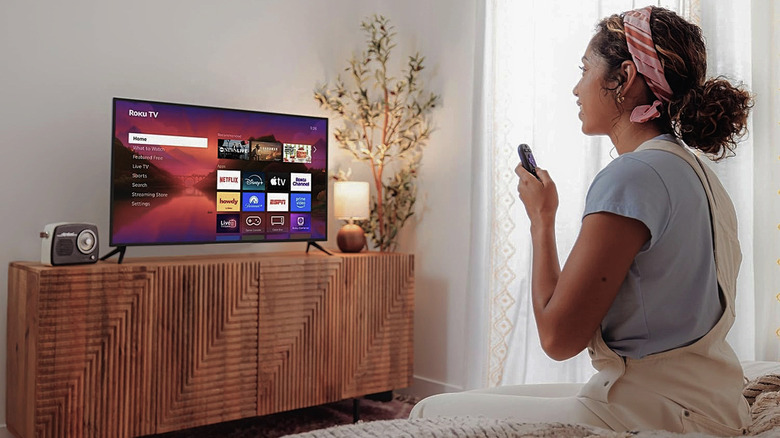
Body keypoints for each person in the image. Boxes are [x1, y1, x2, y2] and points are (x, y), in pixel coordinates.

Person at [409, 6, 753, 435]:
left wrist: (541, 219)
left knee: (427, 413)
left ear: (623, 78)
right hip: (711, 403)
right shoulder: (696, 172)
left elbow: (557, 339)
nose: (576, 87)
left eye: (585, 69)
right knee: (455, 402)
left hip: (652, 412)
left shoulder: (633, 175)